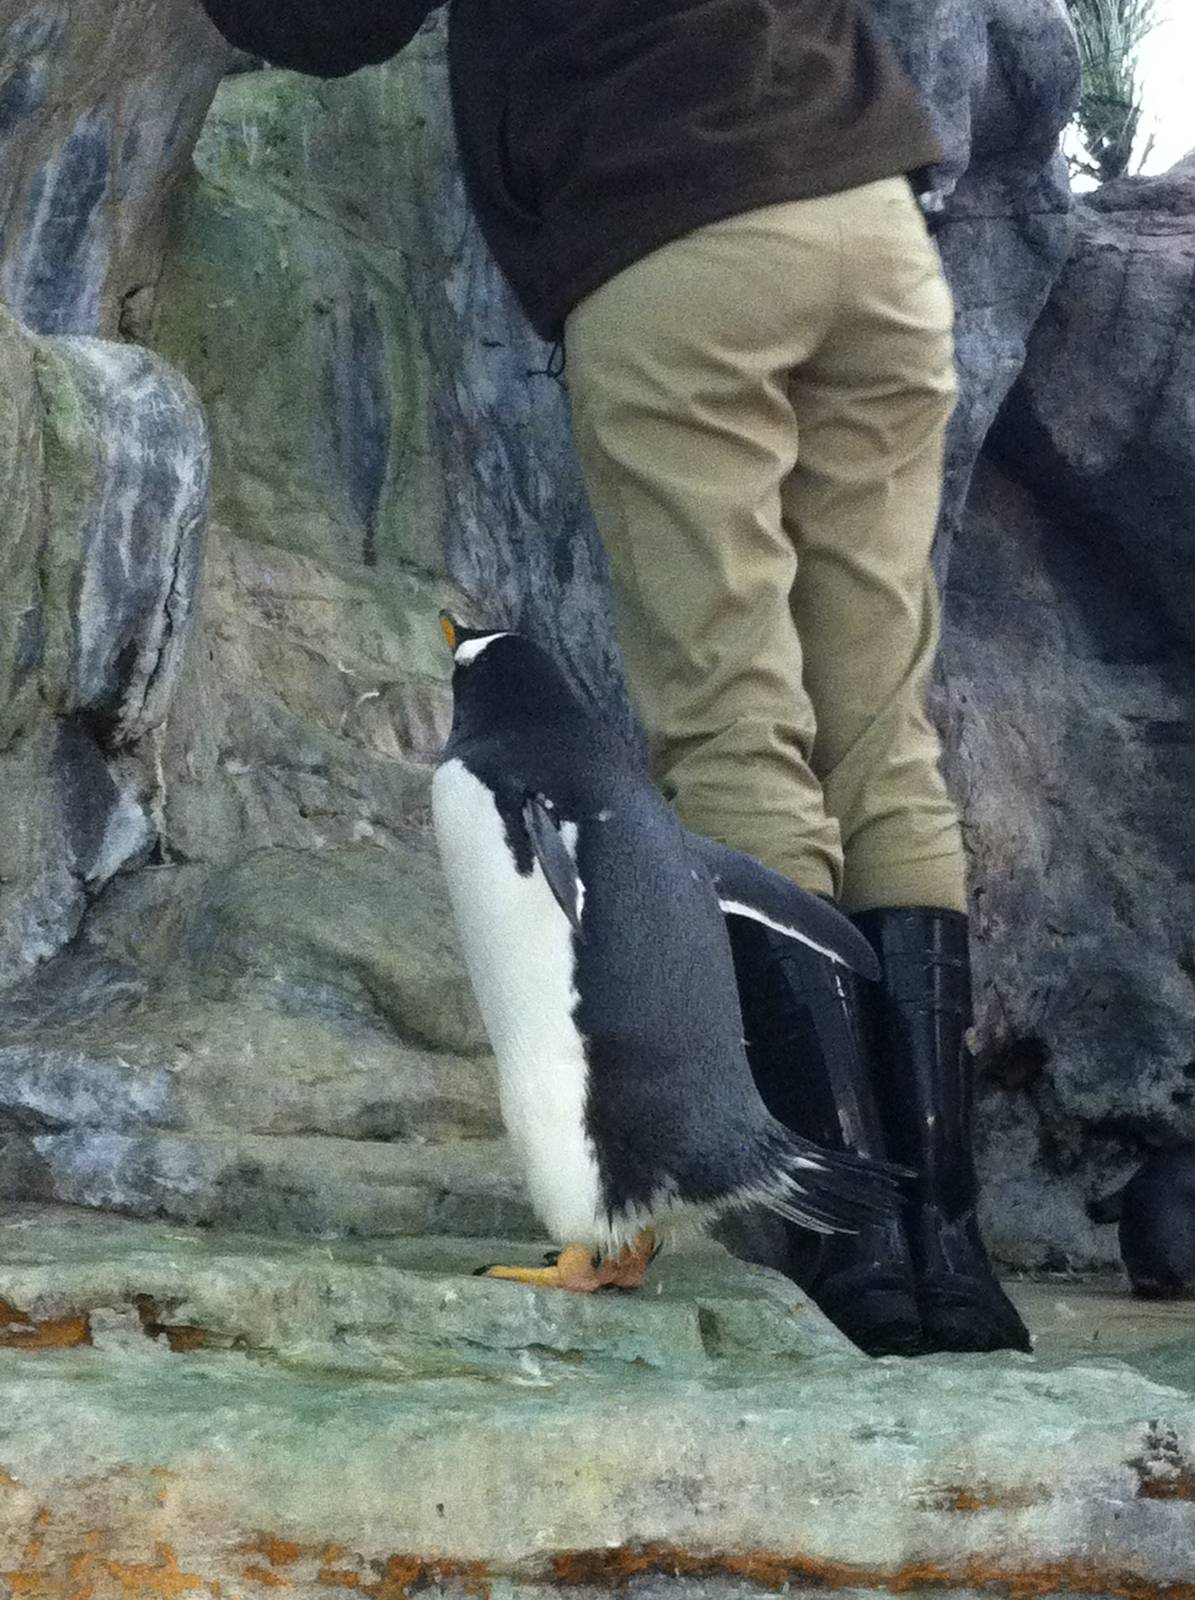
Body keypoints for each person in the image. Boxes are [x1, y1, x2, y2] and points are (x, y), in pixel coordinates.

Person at [194, 0, 1030, 1357]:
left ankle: (855, 1250)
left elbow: (336, 19)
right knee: (887, 743)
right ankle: (956, 1255)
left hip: (677, 234)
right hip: (872, 225)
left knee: (737, 736)